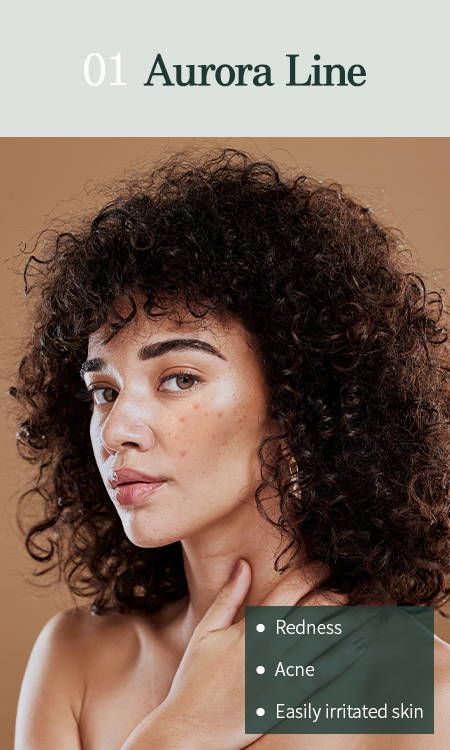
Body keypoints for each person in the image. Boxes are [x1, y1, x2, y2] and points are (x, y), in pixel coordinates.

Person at [12, 149, 449, 749]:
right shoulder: (78, 658)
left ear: (296, 403)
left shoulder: (423, 692)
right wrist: (180, 731)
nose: (115, 431)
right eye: (105, 391)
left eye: (179, 378)